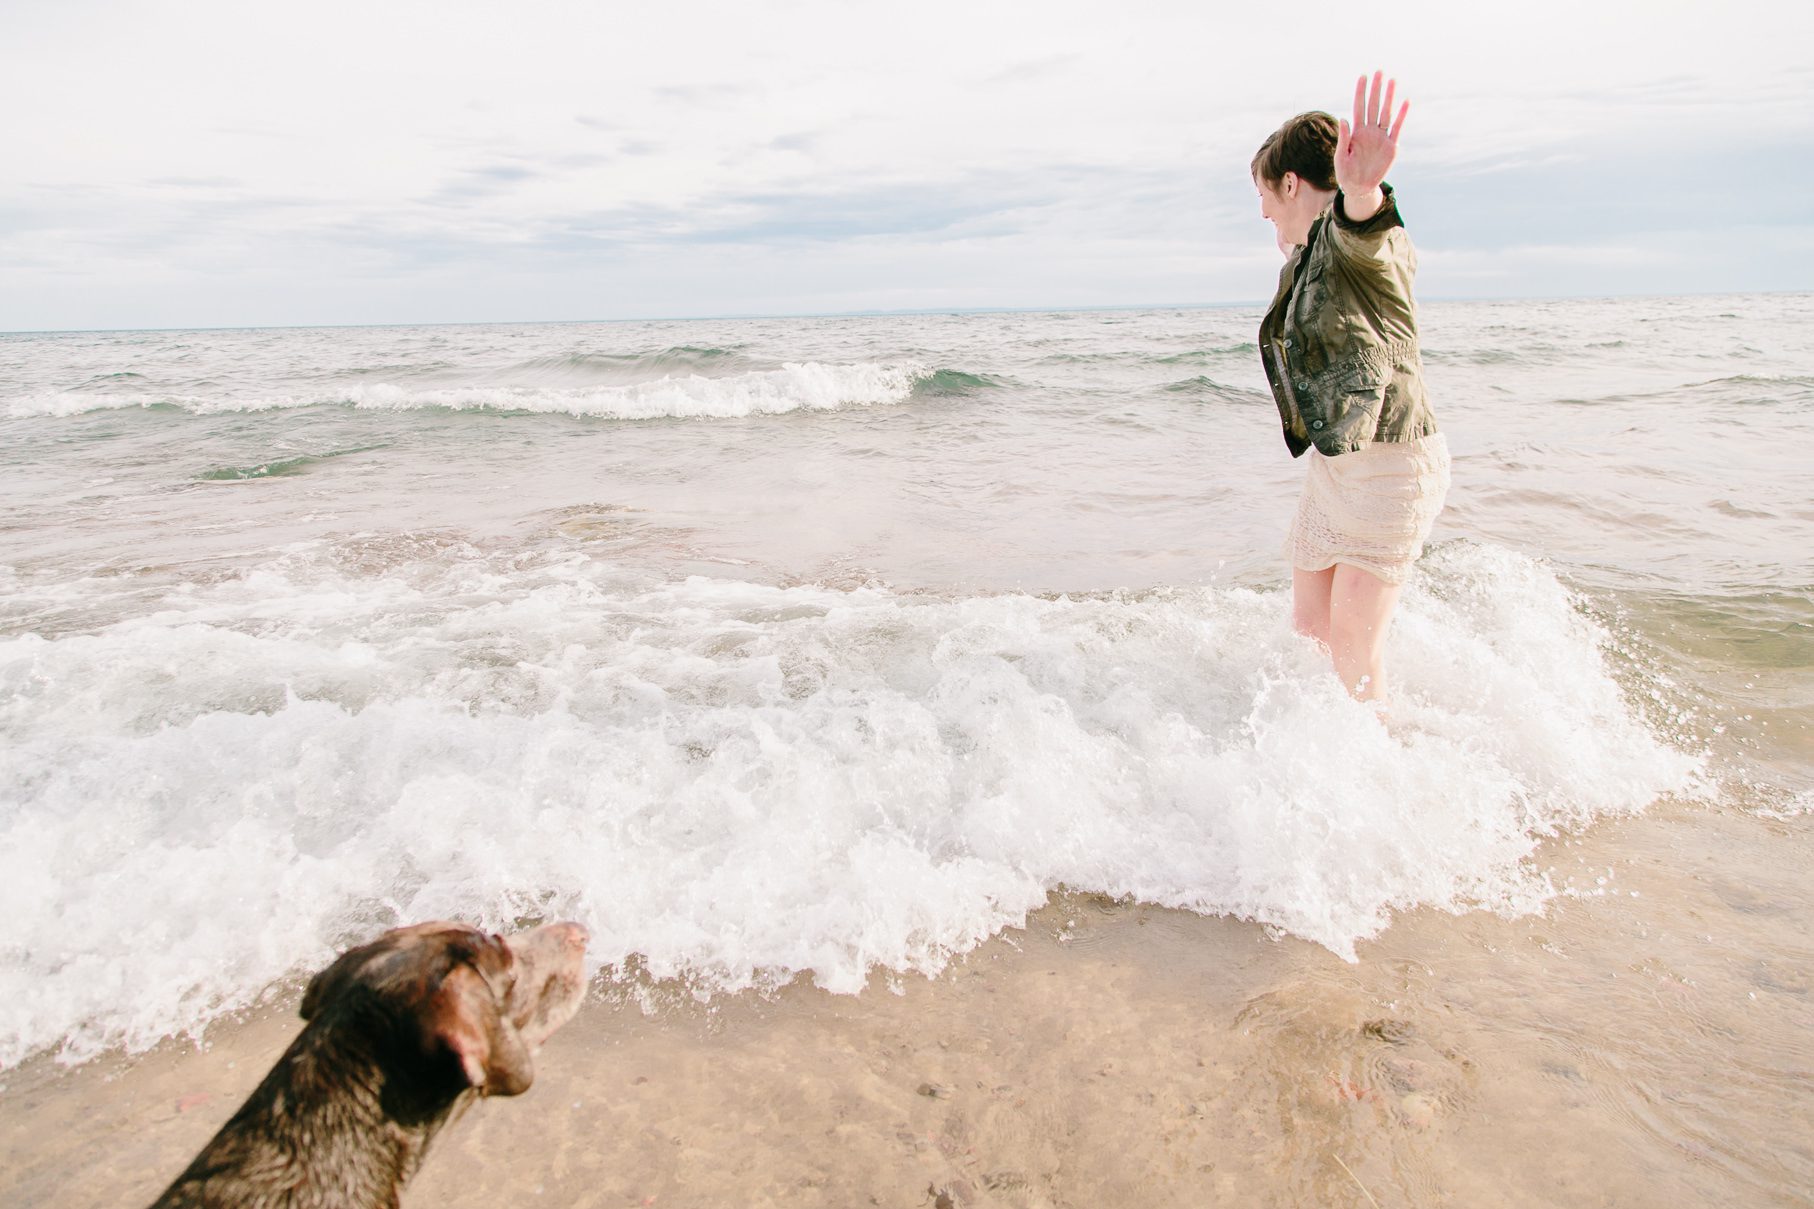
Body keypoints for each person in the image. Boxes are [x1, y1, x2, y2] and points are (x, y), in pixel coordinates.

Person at [1251, 72, 1449, 707]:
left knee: (1354, 644)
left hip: (1393, 472)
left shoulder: (1358, 239)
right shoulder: (1308, 254)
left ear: (1290, 182)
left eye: (1264, 192)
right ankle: (1321, 740)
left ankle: (1383, 772)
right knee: (1311, 629)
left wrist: (1360, 187)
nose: (1260, 211)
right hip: (1338, 473)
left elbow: (1365, 229)